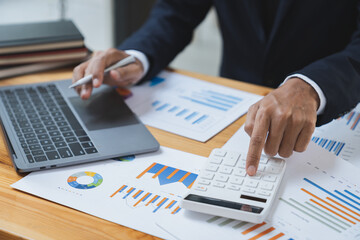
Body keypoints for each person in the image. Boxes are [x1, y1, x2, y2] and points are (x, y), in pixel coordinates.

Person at [72, 0, 360, 176]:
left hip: (333, 109)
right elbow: (176, 11)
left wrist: (311, 86)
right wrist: (137, 56)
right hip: (234, 113)